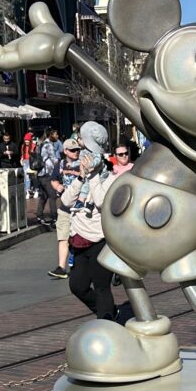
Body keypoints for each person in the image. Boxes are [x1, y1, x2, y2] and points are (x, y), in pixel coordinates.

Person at [61, 123, 116, 320]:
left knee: (101, 287)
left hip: (99, 240)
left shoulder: (109, 178)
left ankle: (106, 321)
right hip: (78, 240)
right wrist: (81, 178)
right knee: (77, 286)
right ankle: (110, 311)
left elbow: (100, 201)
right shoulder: (81, 177)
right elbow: (66, 201)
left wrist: (93, 176)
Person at [47, 137, 82, 279]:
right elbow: (53, 180)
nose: (76, 152)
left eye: (77, 150)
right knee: (63, 237)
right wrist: (58, 186)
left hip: (80, 208)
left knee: (79, 238)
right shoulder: (60, 164)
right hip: (65, 207)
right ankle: (61, 267)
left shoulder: (83, 163)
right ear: (65, 151)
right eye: (73, 150)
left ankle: (79, 265)